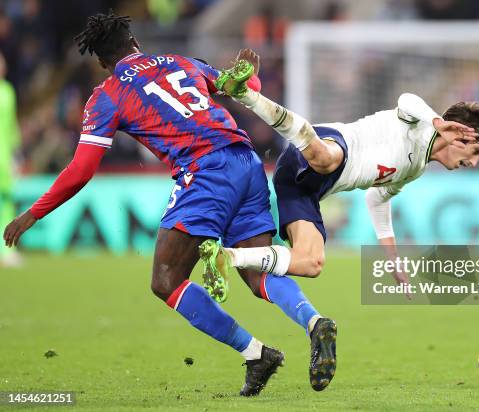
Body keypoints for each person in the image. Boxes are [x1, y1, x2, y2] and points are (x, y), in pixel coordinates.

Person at [2, 12, 336, 396]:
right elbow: (246, 86)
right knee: (257, 266)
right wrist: (249, 74)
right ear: (135, 43)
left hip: (206, 171)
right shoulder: (181, 62)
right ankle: (313, 322)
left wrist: (32, 213)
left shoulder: (107, 95)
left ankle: (255, 353)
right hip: (246, 161)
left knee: (167, 281)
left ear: (101, 63)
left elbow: (80, 170)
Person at [200, 57, 479, 296]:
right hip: (330, 143)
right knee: (326, 158)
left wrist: (392, 257)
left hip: (300, 186)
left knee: (311, 263)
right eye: (477, 153)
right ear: (462, 138)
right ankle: (246, 95)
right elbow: (406, 99)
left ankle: (225, 257)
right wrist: (437, 120)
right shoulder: (423, 125)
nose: (473, 163)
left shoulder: (415, 169)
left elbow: (377, 198)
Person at [0, 52, 21, 268]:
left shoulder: (7, 91)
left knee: (5, 202)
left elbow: (11, 126)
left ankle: (6, 251)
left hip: (4, 158)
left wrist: (16, 153)